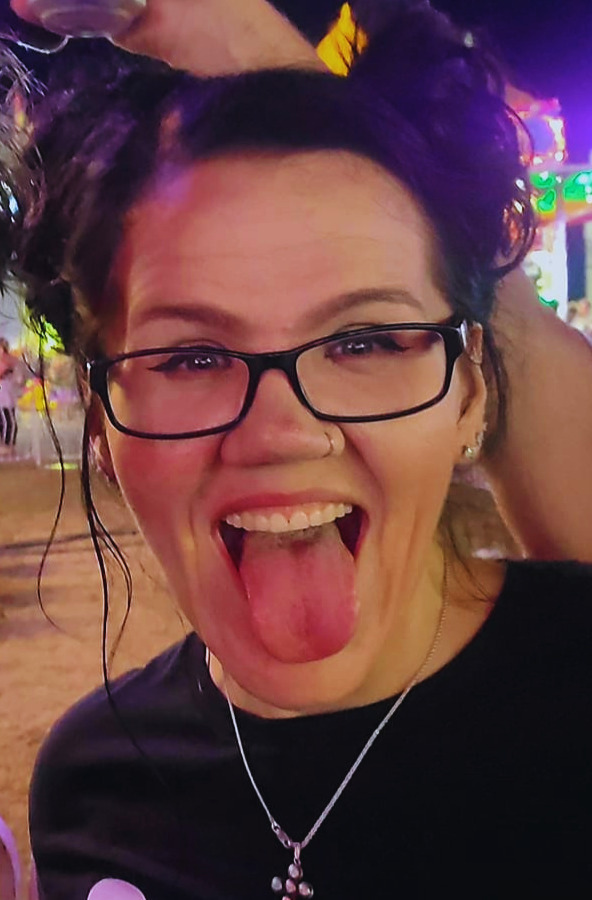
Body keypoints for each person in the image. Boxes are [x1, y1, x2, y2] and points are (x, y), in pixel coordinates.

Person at [14, 3, 592, 897]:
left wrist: (250, 45)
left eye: (365, 342)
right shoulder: (90, 787)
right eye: (192, 357)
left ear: (471, 390)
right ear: (101, 422)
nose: (280, 433)